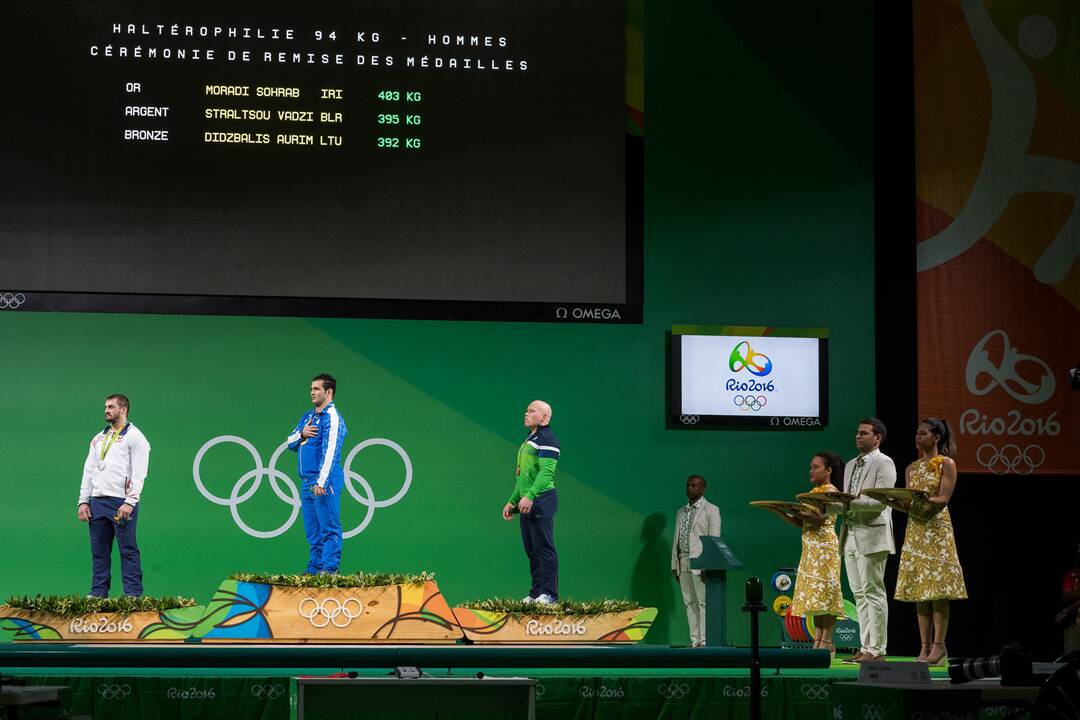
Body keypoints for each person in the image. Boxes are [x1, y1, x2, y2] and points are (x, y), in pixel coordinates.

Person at [892, 418, 968, 664]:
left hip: (936, 530)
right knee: (920, 591)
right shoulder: (911, 468)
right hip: (915, 529)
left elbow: (943, 498)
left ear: (936, 438)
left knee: (938, 591)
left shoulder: (947, 464)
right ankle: (924, 647)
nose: (917, 436)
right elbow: (908, 502)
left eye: (923, 433)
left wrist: (921, 498)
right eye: (916, 433)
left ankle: (939, 645)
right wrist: (892, 501)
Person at [767, 453, 845, 660]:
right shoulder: (813, 492)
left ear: (828, 471)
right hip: (811, 549)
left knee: (826, 594)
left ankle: (828, 641)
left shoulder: (830, 492)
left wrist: (796, 510)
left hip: (824, 549)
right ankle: (818, 638)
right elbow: (802, 523)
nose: (811, 470)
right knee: (816, 596)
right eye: (810, 467)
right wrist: (781, 511)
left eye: (816, 467)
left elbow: (819, 520)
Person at [77, 394, 151, 598]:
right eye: (105, 407)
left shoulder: (136, 437)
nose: (106, 410)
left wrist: (130, 501)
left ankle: (133, 595)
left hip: (121, 503)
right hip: (97, 503)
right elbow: (88, 470)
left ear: (123, 409)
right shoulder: (98, 438)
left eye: (111, 407)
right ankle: (98, 594)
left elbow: (139, 472)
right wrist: (83, 501)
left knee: (128, 550)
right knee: (99, 553)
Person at [839, 417, 897, 663]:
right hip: (850, 533)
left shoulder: (885, 463)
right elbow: (846, 502)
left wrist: (845, 502)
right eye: (857, 432)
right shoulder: (851, 464)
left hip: (872, 534)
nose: (858, 436)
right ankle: (865, 647)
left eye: (863, 433)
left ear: (877, 438)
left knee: (873, 592)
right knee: (859, 593)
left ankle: (878, 650)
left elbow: (878, 503)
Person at [287, 373, 348, 574]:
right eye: (311, 388)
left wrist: (321, 481)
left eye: (316, 389)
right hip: (307, 482)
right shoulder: (308, 417)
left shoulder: (333, 417)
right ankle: (314, 570)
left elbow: (331, 451)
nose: (312, 392)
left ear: (329, 392)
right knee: (313, 532)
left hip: (324, 481)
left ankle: (330, 571)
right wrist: (301, 433)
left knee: (328, 528)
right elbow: (290, 442)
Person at [502, 400, 560, 604]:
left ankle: (550, 594)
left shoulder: (547, 439)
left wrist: (531, 495)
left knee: (544, 547)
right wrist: (512, 501)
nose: (526, 414)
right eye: (526, 410)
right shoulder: (530, 439)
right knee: (532, 549)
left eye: (532, 411)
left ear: (544, 417)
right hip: (528, 500)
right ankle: (536, 592)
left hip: (542, 499)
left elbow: (546, 473)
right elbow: (523, 477)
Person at [671, 474, 722, 647]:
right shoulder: (681, 511)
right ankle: (695, 641)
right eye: (688, 485)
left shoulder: (711, 509)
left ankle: (706, 641)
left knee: (703, 602)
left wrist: (708, 564)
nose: (690, 488)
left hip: (700, 562)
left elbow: (714, 539)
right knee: (689, 602)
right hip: (683, 559)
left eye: (694, 485)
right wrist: (674, 564)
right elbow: (676, 539)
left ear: (703, 488)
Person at [1059, 541, 1080, 656]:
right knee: (1071, 657)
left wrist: (1066, 610)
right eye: (1078, 548)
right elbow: (1065, 596)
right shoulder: (1071, 574)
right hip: (1073, 624)